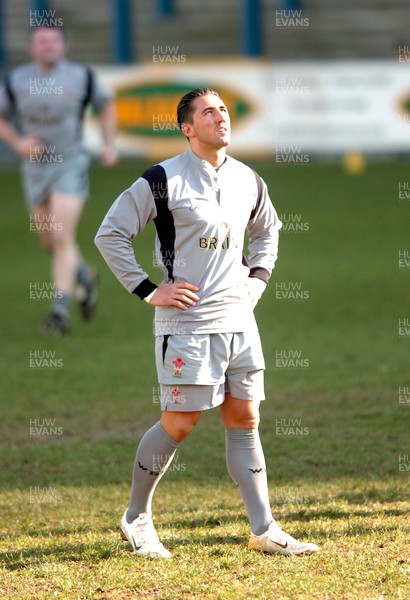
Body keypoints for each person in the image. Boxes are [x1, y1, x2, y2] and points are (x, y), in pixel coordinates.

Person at [95, 88, 319, 558]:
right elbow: (110, 233)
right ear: (187, 128)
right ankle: (136, 518)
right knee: (179, 422)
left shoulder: (248, 179)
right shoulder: (162, 178)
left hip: (240, 321)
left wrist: (256, 281)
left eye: (223, 109)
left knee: (245, 417)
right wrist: (150, 290)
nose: (220, 116)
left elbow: (268, 231)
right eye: (208, 111)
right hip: (186, 324)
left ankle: (264, 528)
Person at [0, 26, 117, 334]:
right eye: (41, 41)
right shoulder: (16, 80)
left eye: (53, 41)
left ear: (64, 46)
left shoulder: (81, 77)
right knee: (49, 240)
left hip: (70, 163)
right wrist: (19, 143)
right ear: (31, 49)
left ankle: (60, 310)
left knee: (62, 235)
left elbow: (106, 105)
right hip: (34, 167)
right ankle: (86, 277)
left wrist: (108, 145)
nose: (47, 46)